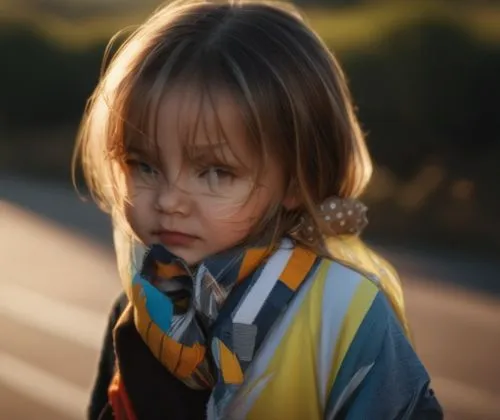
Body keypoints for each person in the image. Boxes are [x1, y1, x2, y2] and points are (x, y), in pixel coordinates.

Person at [74, 1, 443, 419]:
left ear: (297, 177)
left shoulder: (344, 314)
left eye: (215, 172)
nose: (168, 201)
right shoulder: (140, 308)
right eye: (144, 165)